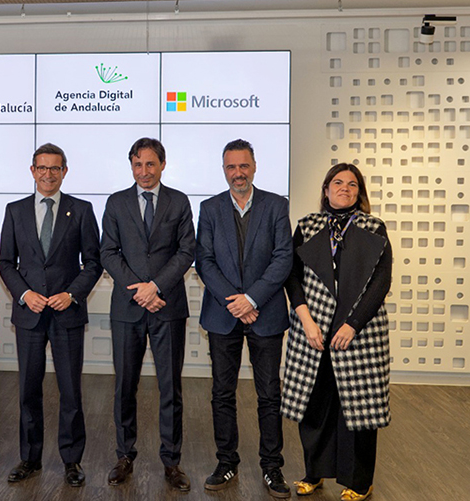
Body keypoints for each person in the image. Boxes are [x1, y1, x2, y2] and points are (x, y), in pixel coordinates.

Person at [282, 163, 392, 501]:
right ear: (326, 189)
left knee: (358, 412)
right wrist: (307, 321)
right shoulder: (307, 226)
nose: (344, 188)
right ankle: (313, 473)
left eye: (352, 184)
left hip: (359, 334)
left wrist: (352, 325)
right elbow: (292, 276)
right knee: (314, 407)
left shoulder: (374, 228)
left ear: (360, 193)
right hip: (313, 333)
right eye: (337, 182)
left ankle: (360, 482)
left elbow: (380, 282)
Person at [0, 143, 103, 487]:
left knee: (70, 389)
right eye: (41, 168)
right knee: (29, 389)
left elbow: (93, 262)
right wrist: (25, 295)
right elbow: (5, 263)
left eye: (54, 169)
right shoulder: (15, 211)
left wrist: (71, 294)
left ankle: (72, 461)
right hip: (29, 315)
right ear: (32, 171)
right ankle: (30, 458)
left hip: (66, 314)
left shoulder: (82, 210)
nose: (47, 174)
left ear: (64, 172)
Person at [194, 139, 293, 498]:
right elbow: (204, 260)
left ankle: (272, 467)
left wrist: (252, 298)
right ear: (224, 170)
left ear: (254, 166)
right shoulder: (209, 208)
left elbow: (283, 258)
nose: (238, 173)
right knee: (222, 393)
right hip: (223, 316)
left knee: (269, 395)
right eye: (231, 167)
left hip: (265, 314)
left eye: (244, 166)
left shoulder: (276, 206)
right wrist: (234, 301)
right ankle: (226, 463)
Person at [100, 137, 196, 492]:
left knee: (170, 387)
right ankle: (125, 455)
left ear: (163, 165)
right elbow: (108, 252)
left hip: (168, 306)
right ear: (131, 166)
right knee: (125, 385)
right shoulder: (116, 202)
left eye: (150, 164)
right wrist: (140, 291)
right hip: (127, 309)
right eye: (138, 164)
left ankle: (172, 461)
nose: (144, 171)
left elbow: (187, 251)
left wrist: (155, 287)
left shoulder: (179, 201)